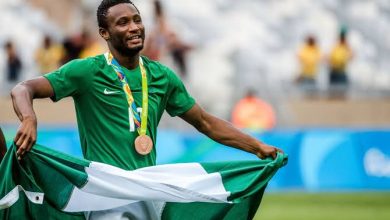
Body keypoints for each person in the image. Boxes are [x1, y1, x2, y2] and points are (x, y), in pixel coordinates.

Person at [11, 0, 282, 218]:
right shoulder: (86, 71)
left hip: (147, 191)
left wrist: (256, 147)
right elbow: (23, 88)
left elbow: (205, 122)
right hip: (106, 193)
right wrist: (29, 118)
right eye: (123, 22)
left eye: (137, 19)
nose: (134, 27)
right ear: (104, 33)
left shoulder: (161, 76)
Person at [328, 27, 353, 98]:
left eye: (343, 37)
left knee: (343, 93)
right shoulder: (335, 46)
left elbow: (351, 57)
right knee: (333, 94)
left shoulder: (347, 47)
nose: (342, 38)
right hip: (334, 71)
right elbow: (330, 57)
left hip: (341, 72)